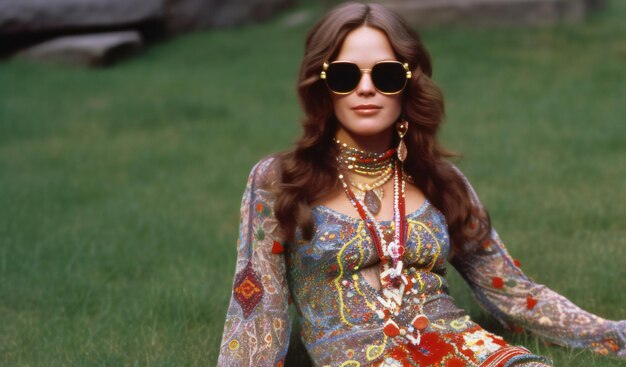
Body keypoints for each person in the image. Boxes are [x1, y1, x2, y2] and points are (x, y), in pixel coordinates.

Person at [217, 3, 625, 366]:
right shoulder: (280, 180)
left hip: (466, 348)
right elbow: (257, 309)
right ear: (323, 85)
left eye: (387, 74)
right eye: (343, 75)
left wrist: (616, 336)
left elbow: (515, 293)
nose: (365, 88)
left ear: (408, 82)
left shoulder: (440, 181)